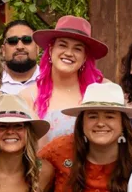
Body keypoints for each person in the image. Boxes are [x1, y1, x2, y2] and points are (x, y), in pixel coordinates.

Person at [20, 16, 109, 147]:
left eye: (77, 49)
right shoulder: (28, 96)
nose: (69, 53)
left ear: (85, 57)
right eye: (62, 45)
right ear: (51, 50)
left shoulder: (103, 90)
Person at [0, 20, 40, 94]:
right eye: (12, 41)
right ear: (3, 50)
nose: (20, 47)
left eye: (27, 40)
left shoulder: (53, 80)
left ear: (37, 48)